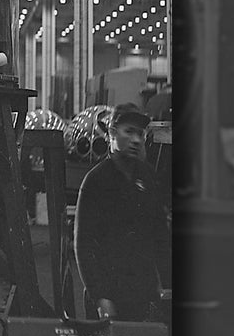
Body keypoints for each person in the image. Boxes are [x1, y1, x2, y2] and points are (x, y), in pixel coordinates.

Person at [73, 102, 170, 322]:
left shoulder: (147, 177)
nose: (136, 140)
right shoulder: (96, 181)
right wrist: (101, 297)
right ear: (112, 134)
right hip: (108, 295)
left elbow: (161, 238)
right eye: (129, 132)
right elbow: (84, 245)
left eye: (140, 133)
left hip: (142, 293)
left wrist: (169, 287)